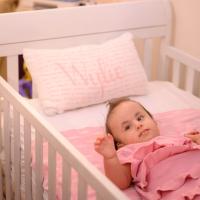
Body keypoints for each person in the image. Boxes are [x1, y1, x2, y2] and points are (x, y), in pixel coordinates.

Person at [94, 97, 200, 193]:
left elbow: (190, 145)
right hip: (176, 188)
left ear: (154, 121)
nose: (138, 125)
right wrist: (111, 157)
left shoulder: (172, 137)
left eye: (140, 118)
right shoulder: (130, 152)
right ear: (121, 145)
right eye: (127, 127)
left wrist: (195, 139)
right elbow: (121, 182)